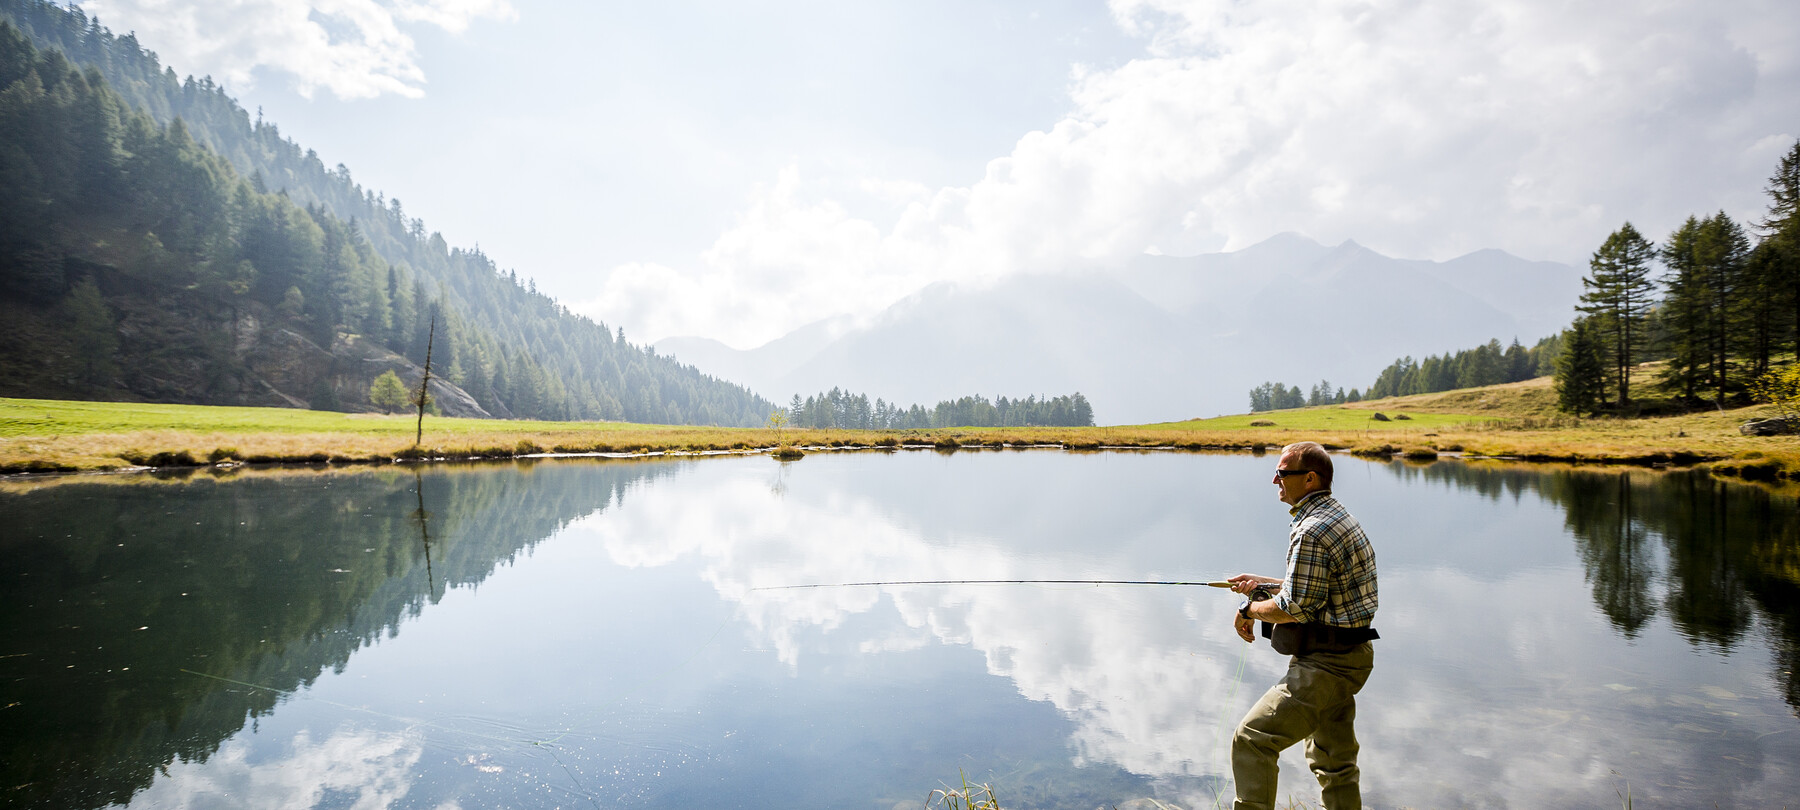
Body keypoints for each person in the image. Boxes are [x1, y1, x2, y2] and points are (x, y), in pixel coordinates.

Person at [1227, 440, 1379, 810]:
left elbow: (1295, 607)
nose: (1274, 480)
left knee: (1253, 739)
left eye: (1281, 473)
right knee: (1334, 762)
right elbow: (1316, 591)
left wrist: (1250, 610)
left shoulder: (1311, 530)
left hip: (1326, 665)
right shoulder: (1336, 515)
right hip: (1350, 657)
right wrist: (1264, 584)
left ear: (1309, 478)